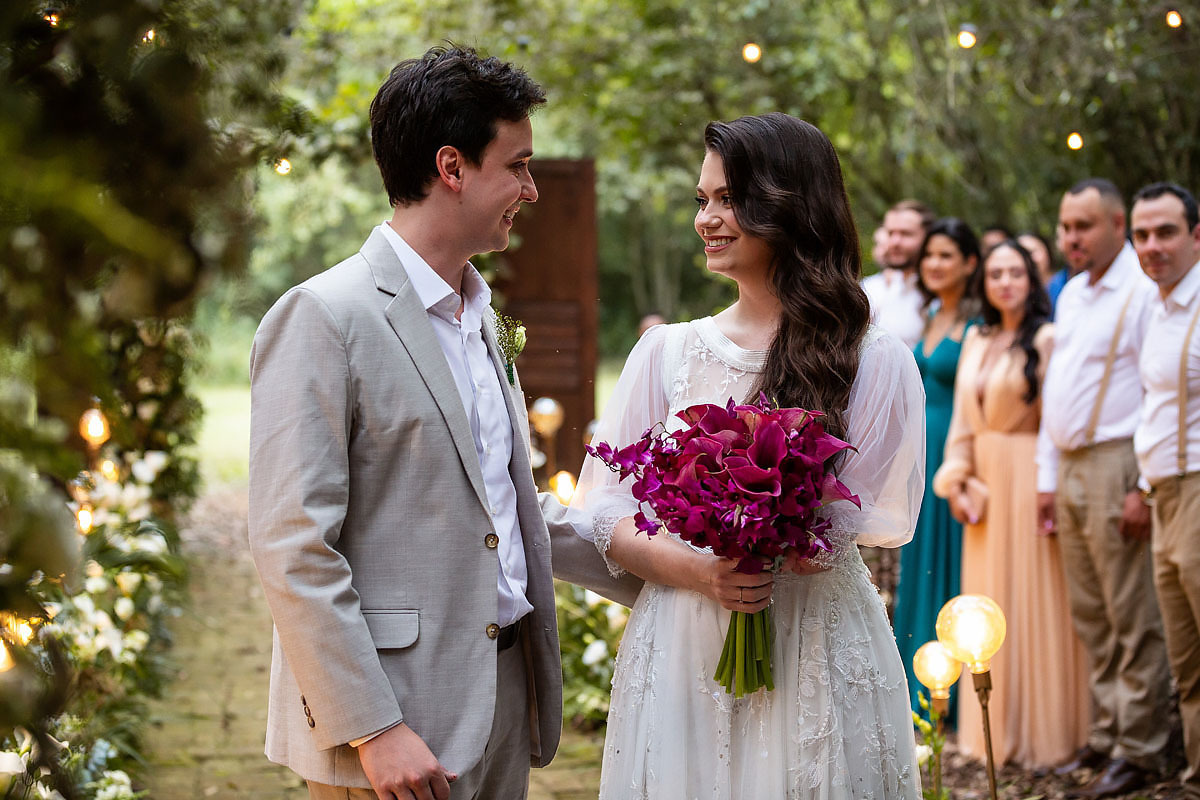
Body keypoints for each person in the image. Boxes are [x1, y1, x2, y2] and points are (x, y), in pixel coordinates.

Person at [247, 46, 640, 800]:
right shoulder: (324, 316)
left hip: (501, 698)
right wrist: (372, 726)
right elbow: (291, 543)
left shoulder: (478, 316)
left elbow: (506, 502)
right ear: (452, 167)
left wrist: (669, 572)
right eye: (517, 165)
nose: (530, 188)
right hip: (394, 725)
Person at [572, 113, 924, 798]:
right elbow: (605, 511)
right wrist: (701, 570)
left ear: (791, 204)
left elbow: (862, 522)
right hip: (683, 636)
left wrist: (773, 532)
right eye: (703, 200)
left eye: (730, 198)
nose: (709, 217)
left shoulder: (874, 360)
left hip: (813, 637)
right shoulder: (664, 352)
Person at [1036, 178, 1171, 797]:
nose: (1071, 238)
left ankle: (1142, 747)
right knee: (1091, 611)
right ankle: (1110, 733)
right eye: (1065, 227)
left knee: (1130, 609)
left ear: (1118, 224)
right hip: (1069, 465)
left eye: (1083, 226)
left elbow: (1157, 393)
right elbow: (1059, 391)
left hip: (1119, 462)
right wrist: (1046, 478)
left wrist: (1141, 485)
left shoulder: (1142, 294)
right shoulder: (1072, 296)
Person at [933, 240, 1090, 769]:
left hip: (1032, 478)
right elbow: (961, 420)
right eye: (996, 273)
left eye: (1015, 273)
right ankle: (992, 730)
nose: (1004, 282)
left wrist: (1050, 483)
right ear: (986, 283)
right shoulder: (976, 338)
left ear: (1032, 280)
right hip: (985, 491)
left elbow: (1058, 418)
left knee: (1038, 599)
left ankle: (1048, 733)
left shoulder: (1046, 338)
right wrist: (956, 477)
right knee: (991, 602)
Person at [893, 218, 979, 717]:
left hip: (957, 452)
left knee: (955, 564)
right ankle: (923, 689)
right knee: (920, 563)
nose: (935, 265)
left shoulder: (978, 322)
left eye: (946, 255)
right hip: (921, 456)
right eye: (930, 256)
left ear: (970, 262)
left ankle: (965, 700)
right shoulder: (928, 317)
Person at [1131, 182, 1200, 800]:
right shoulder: (1155, 306)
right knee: (1186, 656)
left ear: (1197, 235)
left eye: (1167, 232)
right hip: (1164, 493)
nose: (1152, 246)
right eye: (1143, 234)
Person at [863, 199, 935, 350]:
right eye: (890, 233)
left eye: (905, 234)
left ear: (929, 237)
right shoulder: (868, 288)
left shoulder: (940, 293)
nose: (895, 242)